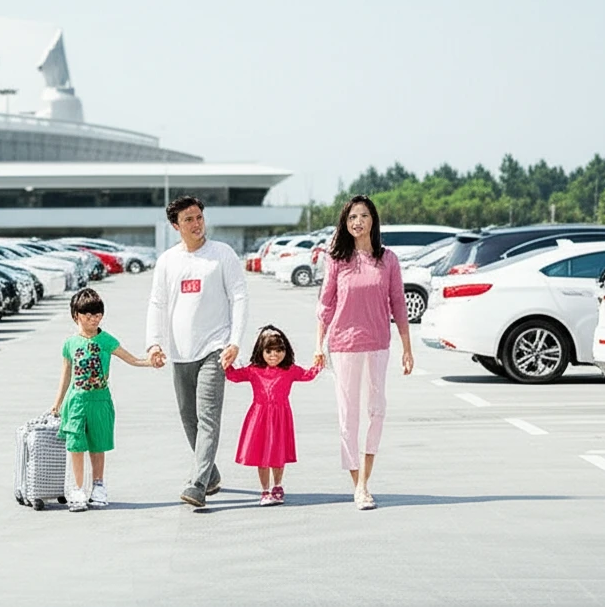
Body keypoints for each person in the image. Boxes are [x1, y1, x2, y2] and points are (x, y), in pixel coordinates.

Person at [146, 195, 249, 508]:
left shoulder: (222, 254)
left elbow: (240, 298)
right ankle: (211, 474)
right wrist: (154, 342)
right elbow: (157, 303)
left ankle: (197, 484)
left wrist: (234, 341)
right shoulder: (167, 261)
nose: (196, 224)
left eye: (199, 217)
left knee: (207, 418)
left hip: (214, 350)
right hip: (179, 352)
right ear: (175, 225)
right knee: (188, 419)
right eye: (188, 219)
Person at [314, 194, 413, 511]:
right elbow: (326, 304)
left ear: (373, 220)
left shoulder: (388, 260)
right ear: (345, 223)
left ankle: (365, 480)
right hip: (343, 345)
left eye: (363, 216)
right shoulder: (337, 259)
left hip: (378, 344)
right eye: (352, 217)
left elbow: (398, 304)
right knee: (348, 416)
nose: (357, 222)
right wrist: (319, 345)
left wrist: (407, 349)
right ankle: (359, 485)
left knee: (376, 410)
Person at [51, 288, 160, 512]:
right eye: (87, 315)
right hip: (76, 402)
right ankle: (79, 489)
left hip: (100, 401)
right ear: (76, 316)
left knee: (98, 445)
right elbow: (66, 375)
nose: (93, 319)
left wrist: (151, 362)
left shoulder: (107, 340)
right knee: (76, 446)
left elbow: (131, 359)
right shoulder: (70, 344)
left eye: (97, 315)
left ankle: (98, 486)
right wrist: (57, 402)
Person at [224, 325, 321, 506]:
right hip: (259, 416)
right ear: (261, 352)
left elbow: (308, 375)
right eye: (269, 351)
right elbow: (234, 376)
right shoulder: (254, 370)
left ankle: (278, 485)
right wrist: (227, 360)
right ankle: (265, 489)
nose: (274, 355)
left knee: (278, 452)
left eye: (278, 350)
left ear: (286, 351)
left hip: (280, 417)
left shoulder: (289, 370)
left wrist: (319, 362)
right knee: (262, 454)